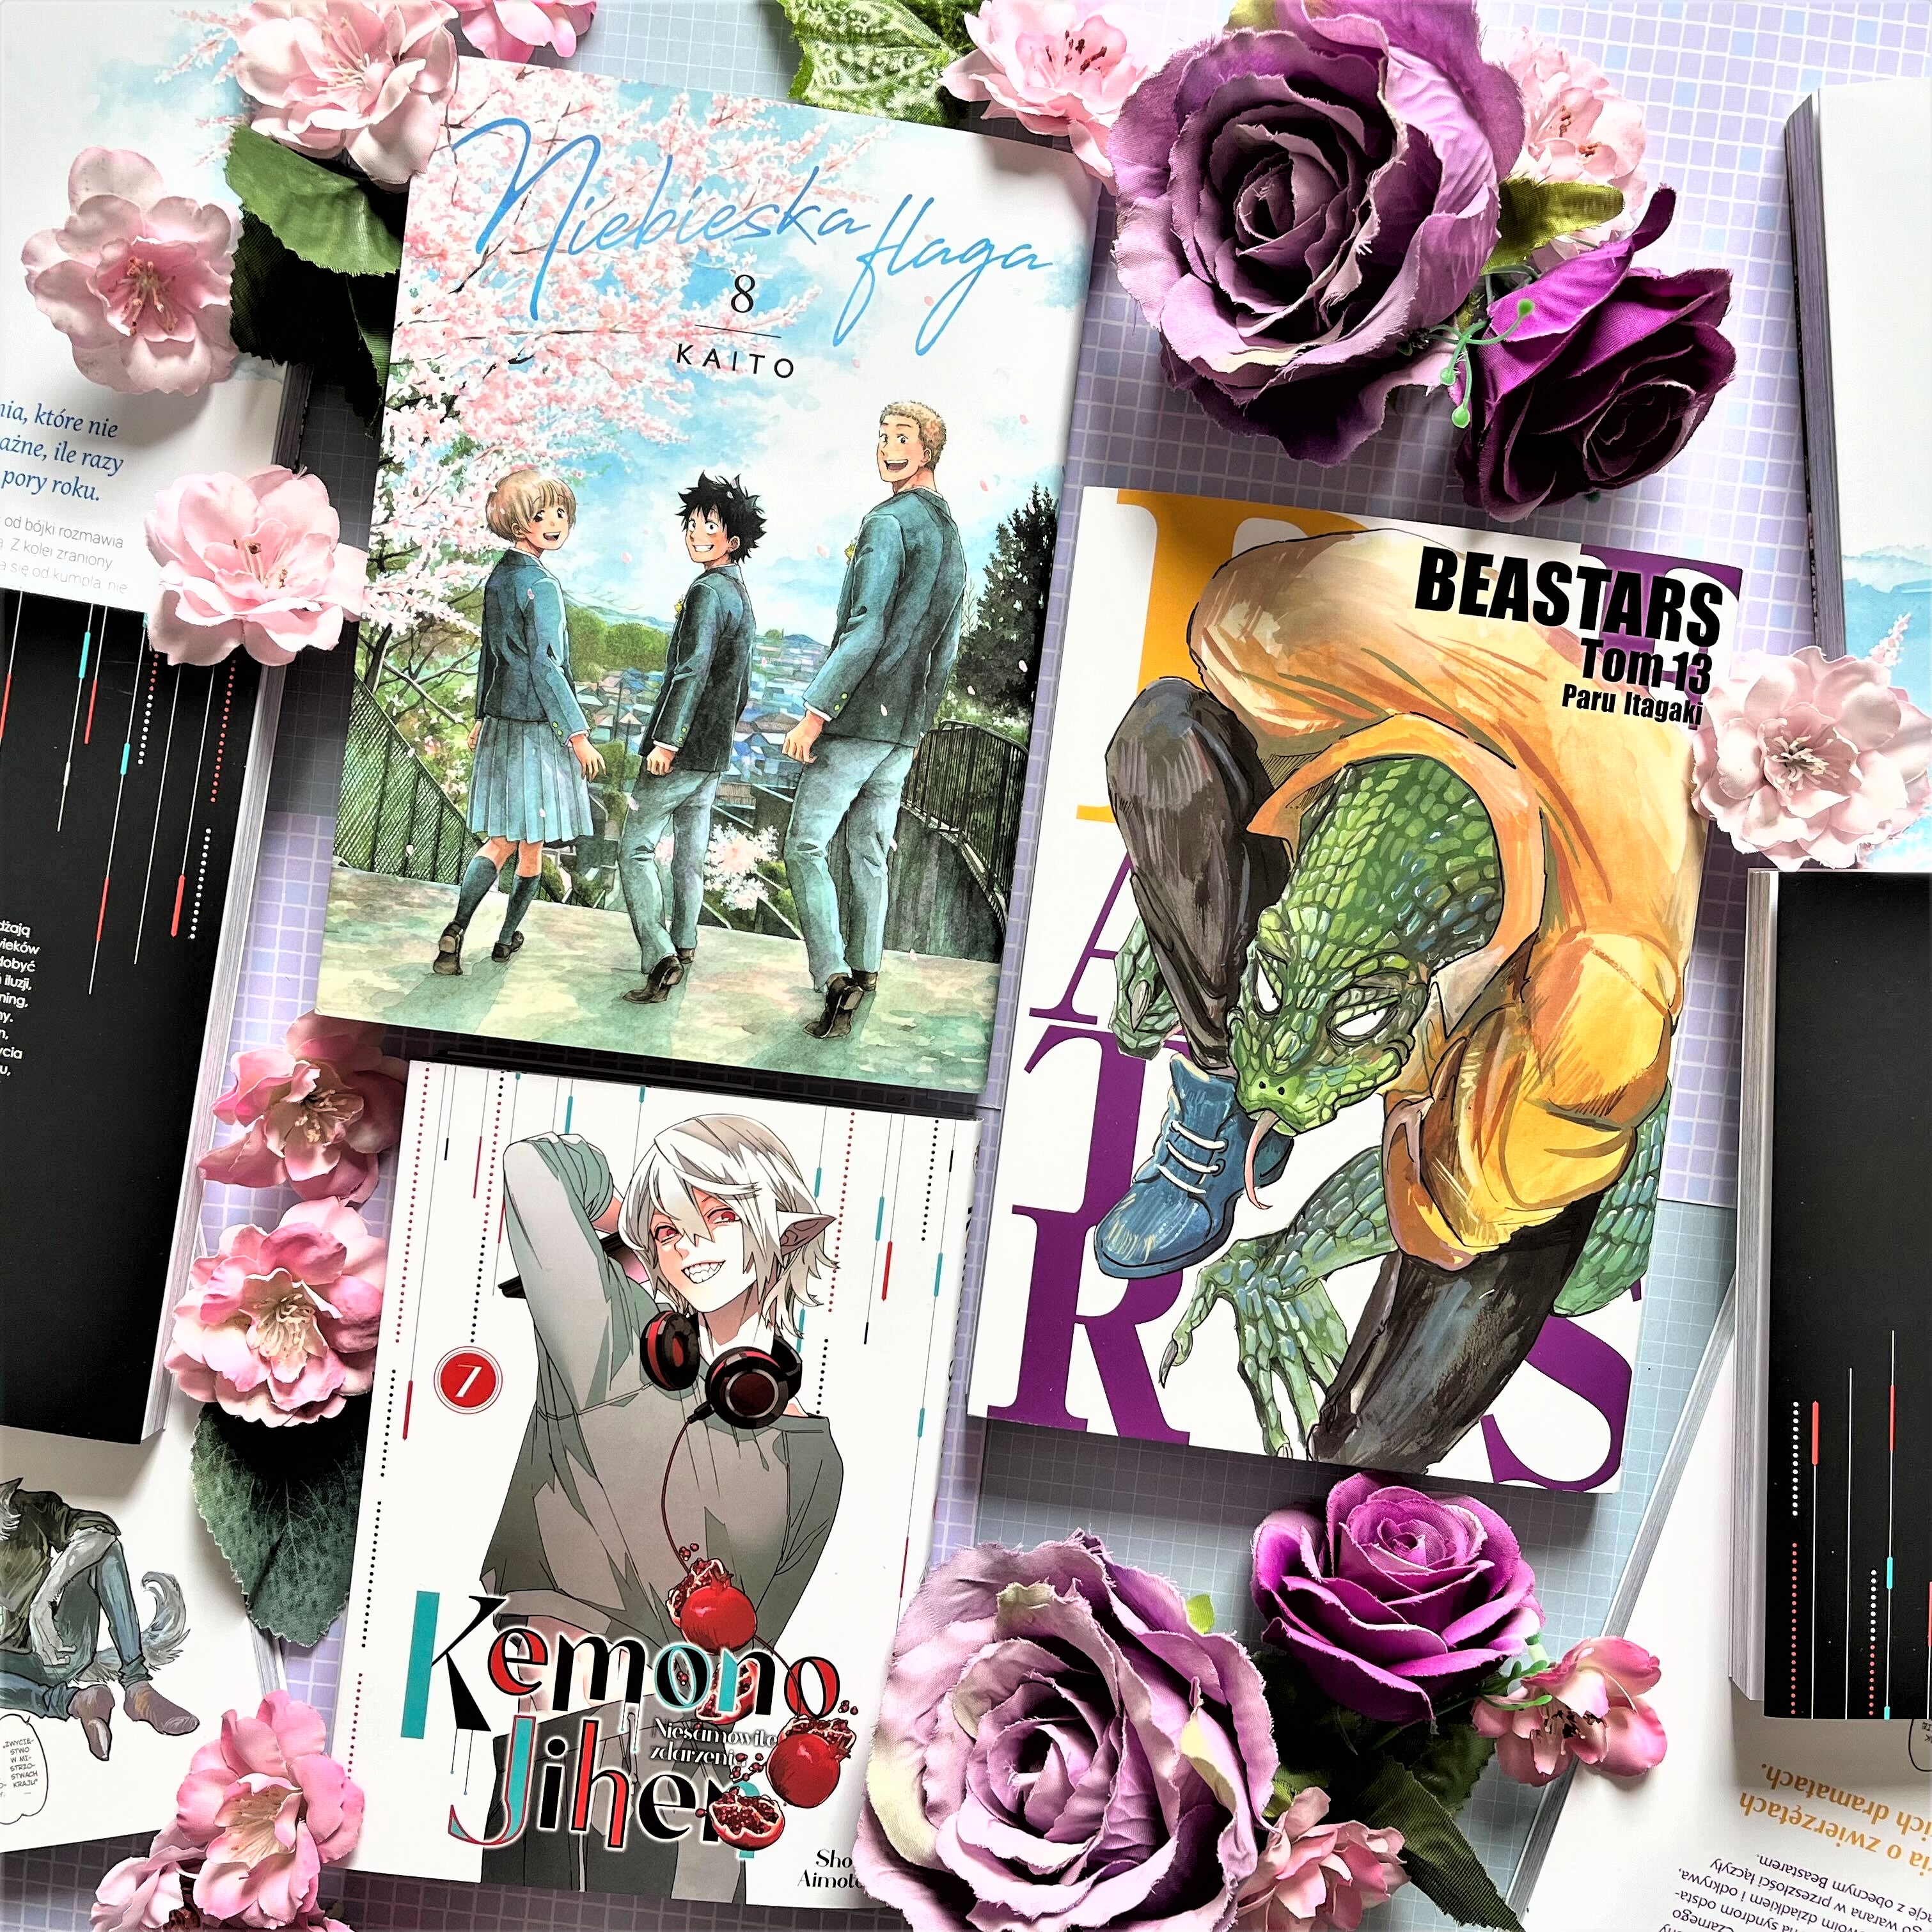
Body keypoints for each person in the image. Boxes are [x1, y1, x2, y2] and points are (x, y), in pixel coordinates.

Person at [478, 1115, 843, 1900]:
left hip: (690, 1796)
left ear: (783, 1229)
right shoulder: (608, 1342)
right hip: (568, 1766)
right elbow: (532, 1166)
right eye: (669, 1229)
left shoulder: (816, 1461)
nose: (691, 1246)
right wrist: (616, 1208)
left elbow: (746, 1666)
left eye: (720, 1215)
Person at [783, 402, 966, 1041]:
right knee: (869, 849)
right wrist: (916, 724)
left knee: (805, 846)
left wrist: (815, 713)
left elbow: (865, 628)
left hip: (859, 716)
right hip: (904, 728)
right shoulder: (951, 536)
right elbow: (946, 647)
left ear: (927, 450)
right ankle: (867, 969)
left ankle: (833, 976)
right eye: (882, 435)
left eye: (901, 438)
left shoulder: (887, 523)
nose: (887, 447)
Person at [434, 467, 604, 977]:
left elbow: (489, 655)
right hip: (538, 728)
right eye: (540, 514)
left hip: (501, 724)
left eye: (560, 513)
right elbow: (548, 666)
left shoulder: (499, 577)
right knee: (530, 842)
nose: (554, 523)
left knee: (503, 838)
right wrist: (578, 735)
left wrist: (482, 714)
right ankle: (505, 938)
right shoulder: (542, 585)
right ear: (516, 522)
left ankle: (458, 928)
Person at [617, 475, 764, 1005]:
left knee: (634, 847)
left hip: (680, 749)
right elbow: (740, 686)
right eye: (693, 524)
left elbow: (691, 670)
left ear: (733, 540)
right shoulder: (741, 596)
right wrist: (716, 734)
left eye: (710, 526)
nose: (697, 534)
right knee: (690, 853)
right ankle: (685, 942)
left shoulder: (705, 592)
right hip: (713, 751)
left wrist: (667, 740)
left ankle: (660, 957)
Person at [0, 1479, 196, 1761]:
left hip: (61, 1648)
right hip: (11, 1675)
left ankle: (137, 1686)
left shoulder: (28, 1508)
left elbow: (100, 1532)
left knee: (104, 1550)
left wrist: (42, 1603)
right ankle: (78, 1702)